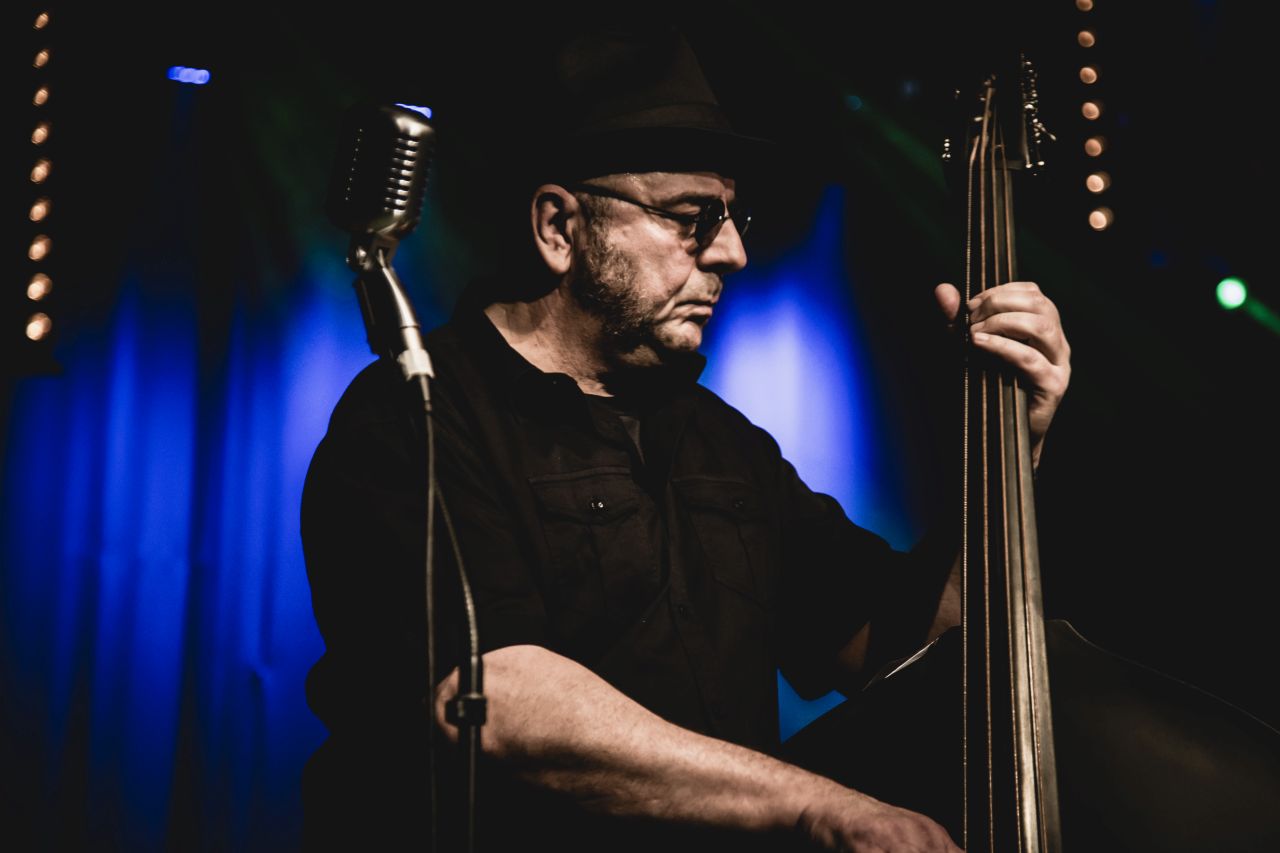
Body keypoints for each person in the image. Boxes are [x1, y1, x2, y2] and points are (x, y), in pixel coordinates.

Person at [300, 26, 1070, 852]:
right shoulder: (413, 418)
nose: (733, 251)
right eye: (693, 218)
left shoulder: (726, 446)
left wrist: (1012, 444)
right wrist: (820, 804)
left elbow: (904, 647)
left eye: (734, 216)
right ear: (559, 227)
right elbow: (493, 698)